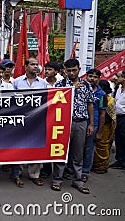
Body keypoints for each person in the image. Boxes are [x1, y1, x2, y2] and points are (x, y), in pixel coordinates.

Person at [52, 58, 94, 194]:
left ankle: (78, 181)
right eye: (68, 70)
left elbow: (90, 104)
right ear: (64, 70)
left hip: (81, 122)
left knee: (78, 153)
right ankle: (57, 179)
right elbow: (55, 101)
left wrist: (91, 124)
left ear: (79, 69)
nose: (71, 73)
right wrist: (70, 90)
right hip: (63, 123)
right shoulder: (60, 84)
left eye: (74, 70)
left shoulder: (87, 85)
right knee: (61, 151)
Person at [13, 57, 48, 188]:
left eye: (37, 64)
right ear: (26, 67)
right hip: (21, 118)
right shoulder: (17, 82)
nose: (35, 67)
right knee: (20, 145)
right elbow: (12, 101)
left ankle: (34, 174)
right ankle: (18, 173)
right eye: (32, 64)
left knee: (36, 145)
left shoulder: (43, 83)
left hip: (37, 120)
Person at [82, 69, 107, 182]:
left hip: (94, 125)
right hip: (80, 123)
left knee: (89, 149)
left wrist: (100, 132)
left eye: (95, 77)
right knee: (76, 149)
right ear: (86, 77)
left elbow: (102, 114)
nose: (92, 78)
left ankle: (85, 171)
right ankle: (71, 170)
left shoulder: (102, 95)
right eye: (90, 76)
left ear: (99, 79)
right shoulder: (81, 89)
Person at [93, 80, 116, 173]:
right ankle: (94, 164)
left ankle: (102, 165)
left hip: (106, 125)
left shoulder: (109, 100)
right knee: (94, 145)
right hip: (95, 123)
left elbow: (108, 115)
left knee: (102, 144)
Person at [110, 70, 125, 170]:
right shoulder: (118, 88)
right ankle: (120, 160)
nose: (116, 78)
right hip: (117, 117)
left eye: (118, 76)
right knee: (118, 138)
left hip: (124, 117)